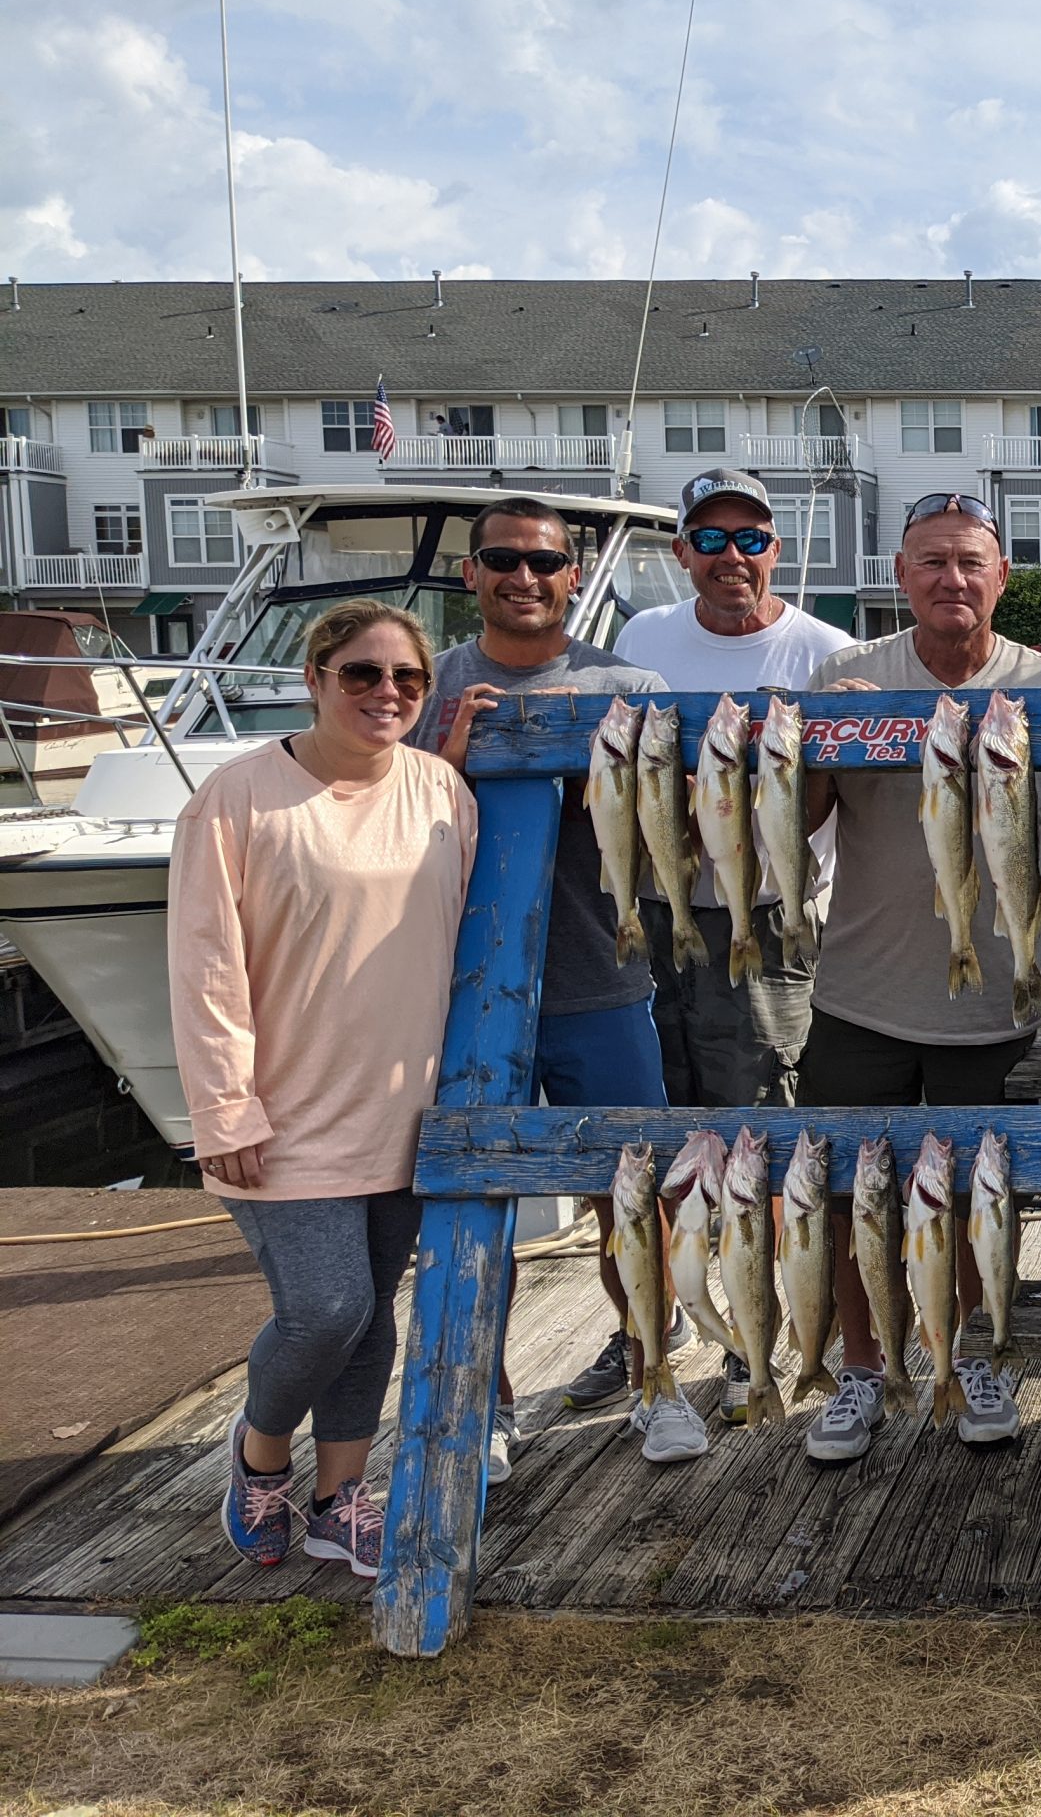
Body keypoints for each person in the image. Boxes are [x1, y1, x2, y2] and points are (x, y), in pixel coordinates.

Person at [170, 598, 477, 1581]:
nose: (385, 693)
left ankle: (340, 1500)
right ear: (316, 679)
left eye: (406, 679)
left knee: (374, 1312)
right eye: (362, 674)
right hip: (282, 1116)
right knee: (325, 1309)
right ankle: (259, 1458)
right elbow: (203, 965)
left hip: (407, 1112)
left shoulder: (441, 791)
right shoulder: (237, 798)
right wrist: (224, 1107)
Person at [408, 497, 709, 1469]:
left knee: (629, 1196)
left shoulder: (632, 681)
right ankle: (481, 1400)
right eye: (502, 559)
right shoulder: (428, 684)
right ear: (471, 572)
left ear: (576, 577)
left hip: (603, 982)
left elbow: (683, 841)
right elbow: (376, 830)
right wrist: (446, 765)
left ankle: (655, 1377)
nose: (523, 578)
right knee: (470, 1198)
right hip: (460, 997)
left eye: (544, 563)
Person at [796, 491, 1041, 1462]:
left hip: (997, 1000)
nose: (952, 579)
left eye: (971, 561)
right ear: (900, 576)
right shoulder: (847, 677)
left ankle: (974, 1355)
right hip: (859, 996)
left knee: (978, 1200)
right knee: (844, 1196)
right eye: (931, 562)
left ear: (1002, 576)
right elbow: (795, 821)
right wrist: (816, 739)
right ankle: (861, 1365)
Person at [614, 469, 852, 1423]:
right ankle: (664, 1321)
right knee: (661, 1122)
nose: (731, 559)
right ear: (681, 553)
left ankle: (782, 1337)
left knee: (761, 1121)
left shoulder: (826, 651)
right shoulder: (642, 640)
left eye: (750, 540)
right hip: (654, 908)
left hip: (770, 918)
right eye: (709, 541)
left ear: (776, 550)